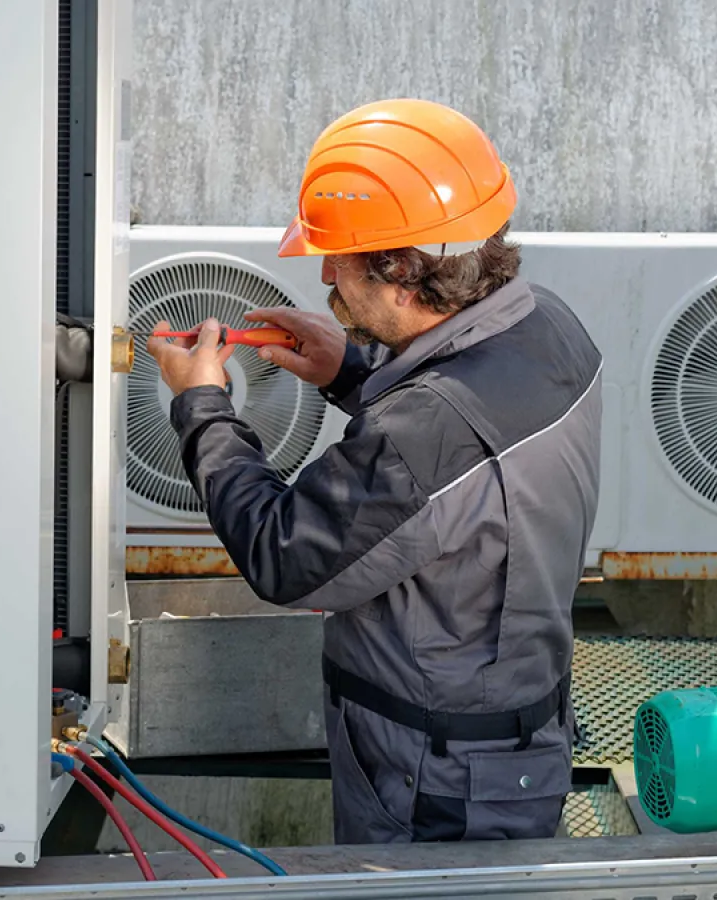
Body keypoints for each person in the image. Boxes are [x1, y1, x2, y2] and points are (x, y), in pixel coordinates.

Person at [145, 98, 602, 844]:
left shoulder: (423, 438)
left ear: (399, 272)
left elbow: (284, 555)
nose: (324, 271)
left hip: (436, 787)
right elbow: (466, 476)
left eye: (339, 256)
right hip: (508, 747)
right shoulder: (546, 325)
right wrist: (349, 370)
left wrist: (202, 403)